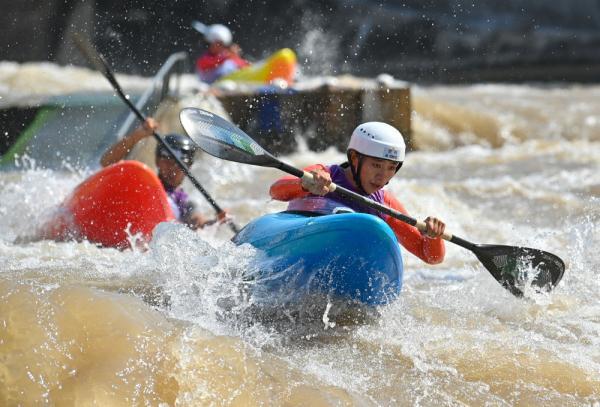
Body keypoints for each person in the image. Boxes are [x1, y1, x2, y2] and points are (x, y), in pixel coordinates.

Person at [269, 122, 446, 264]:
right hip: (302, 248)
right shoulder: (322, 174)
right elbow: (275, 191)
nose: (382, 176)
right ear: (354, 158)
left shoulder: (384, 204)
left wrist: (433, 237)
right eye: (376, 165)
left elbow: (430, 256)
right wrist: (305, 184)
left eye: (391, 168)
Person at [100, 118, 227, 229]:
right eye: (167, 161)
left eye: (179, 164)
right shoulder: (141, 182)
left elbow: (199, 223)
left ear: (188, 168)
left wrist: (217, 222)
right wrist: (137, 136)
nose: (172, 168)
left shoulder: (184, 204)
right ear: (157, 161)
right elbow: (106, 163)